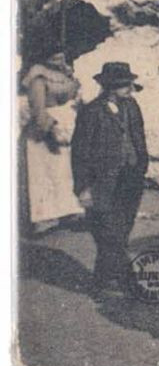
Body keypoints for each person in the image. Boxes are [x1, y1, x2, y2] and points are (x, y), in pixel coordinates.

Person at [70, 60, 148, 295]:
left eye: (129, 84)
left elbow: (139, 137)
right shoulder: (91, 112)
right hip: (103, 181)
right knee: (110, 235)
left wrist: (142, 165)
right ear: (110, 87)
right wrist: (83, 188)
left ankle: (100, 282)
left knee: (120, 234)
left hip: (130, 178)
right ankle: (130, 285)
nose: (129, 89)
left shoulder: (132, 106)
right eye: (124, 85)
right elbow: (80, 152)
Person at [21, 50, 82, 234]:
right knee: (43, 175)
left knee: (64, 172)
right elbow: (37, 106)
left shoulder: (65, 72)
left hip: (66, 125)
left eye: (62, 55)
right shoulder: (37, 76)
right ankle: (44, 217)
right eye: (54, 56)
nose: (59, 59)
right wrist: (49, 128)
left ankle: (68, 211)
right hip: (46, 129)